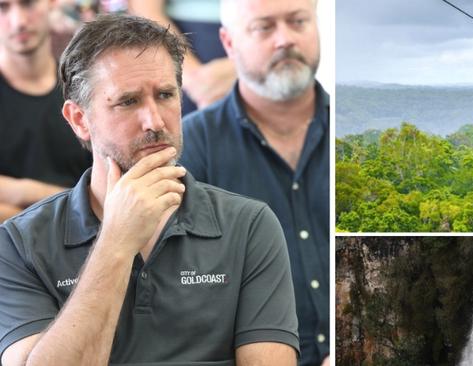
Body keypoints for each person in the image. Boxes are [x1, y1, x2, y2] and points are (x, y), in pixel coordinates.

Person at [0, 14, 298, 366]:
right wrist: (115, 241)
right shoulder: (20, 244)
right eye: (128, 101)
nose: (155, 121)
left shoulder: (250, 227)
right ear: (79, 119)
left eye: (166, 95)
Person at [179, 0, 329, 365]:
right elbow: (180, 299)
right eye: (264, 27)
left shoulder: (350, 130)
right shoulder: (191, 147)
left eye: (298, 22)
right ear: (228, 44)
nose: (285, 40)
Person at [0, 0, 92, 222]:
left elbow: (107, 192)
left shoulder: (85, 89)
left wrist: (18, 192)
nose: (19, 22)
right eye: (3, 7)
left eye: (28, 3)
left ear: (52, 3)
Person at [129, 0, 236, 115]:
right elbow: (144, 10)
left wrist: (239, 70)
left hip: (248, 71)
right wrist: (193, 79)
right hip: (180, 76)